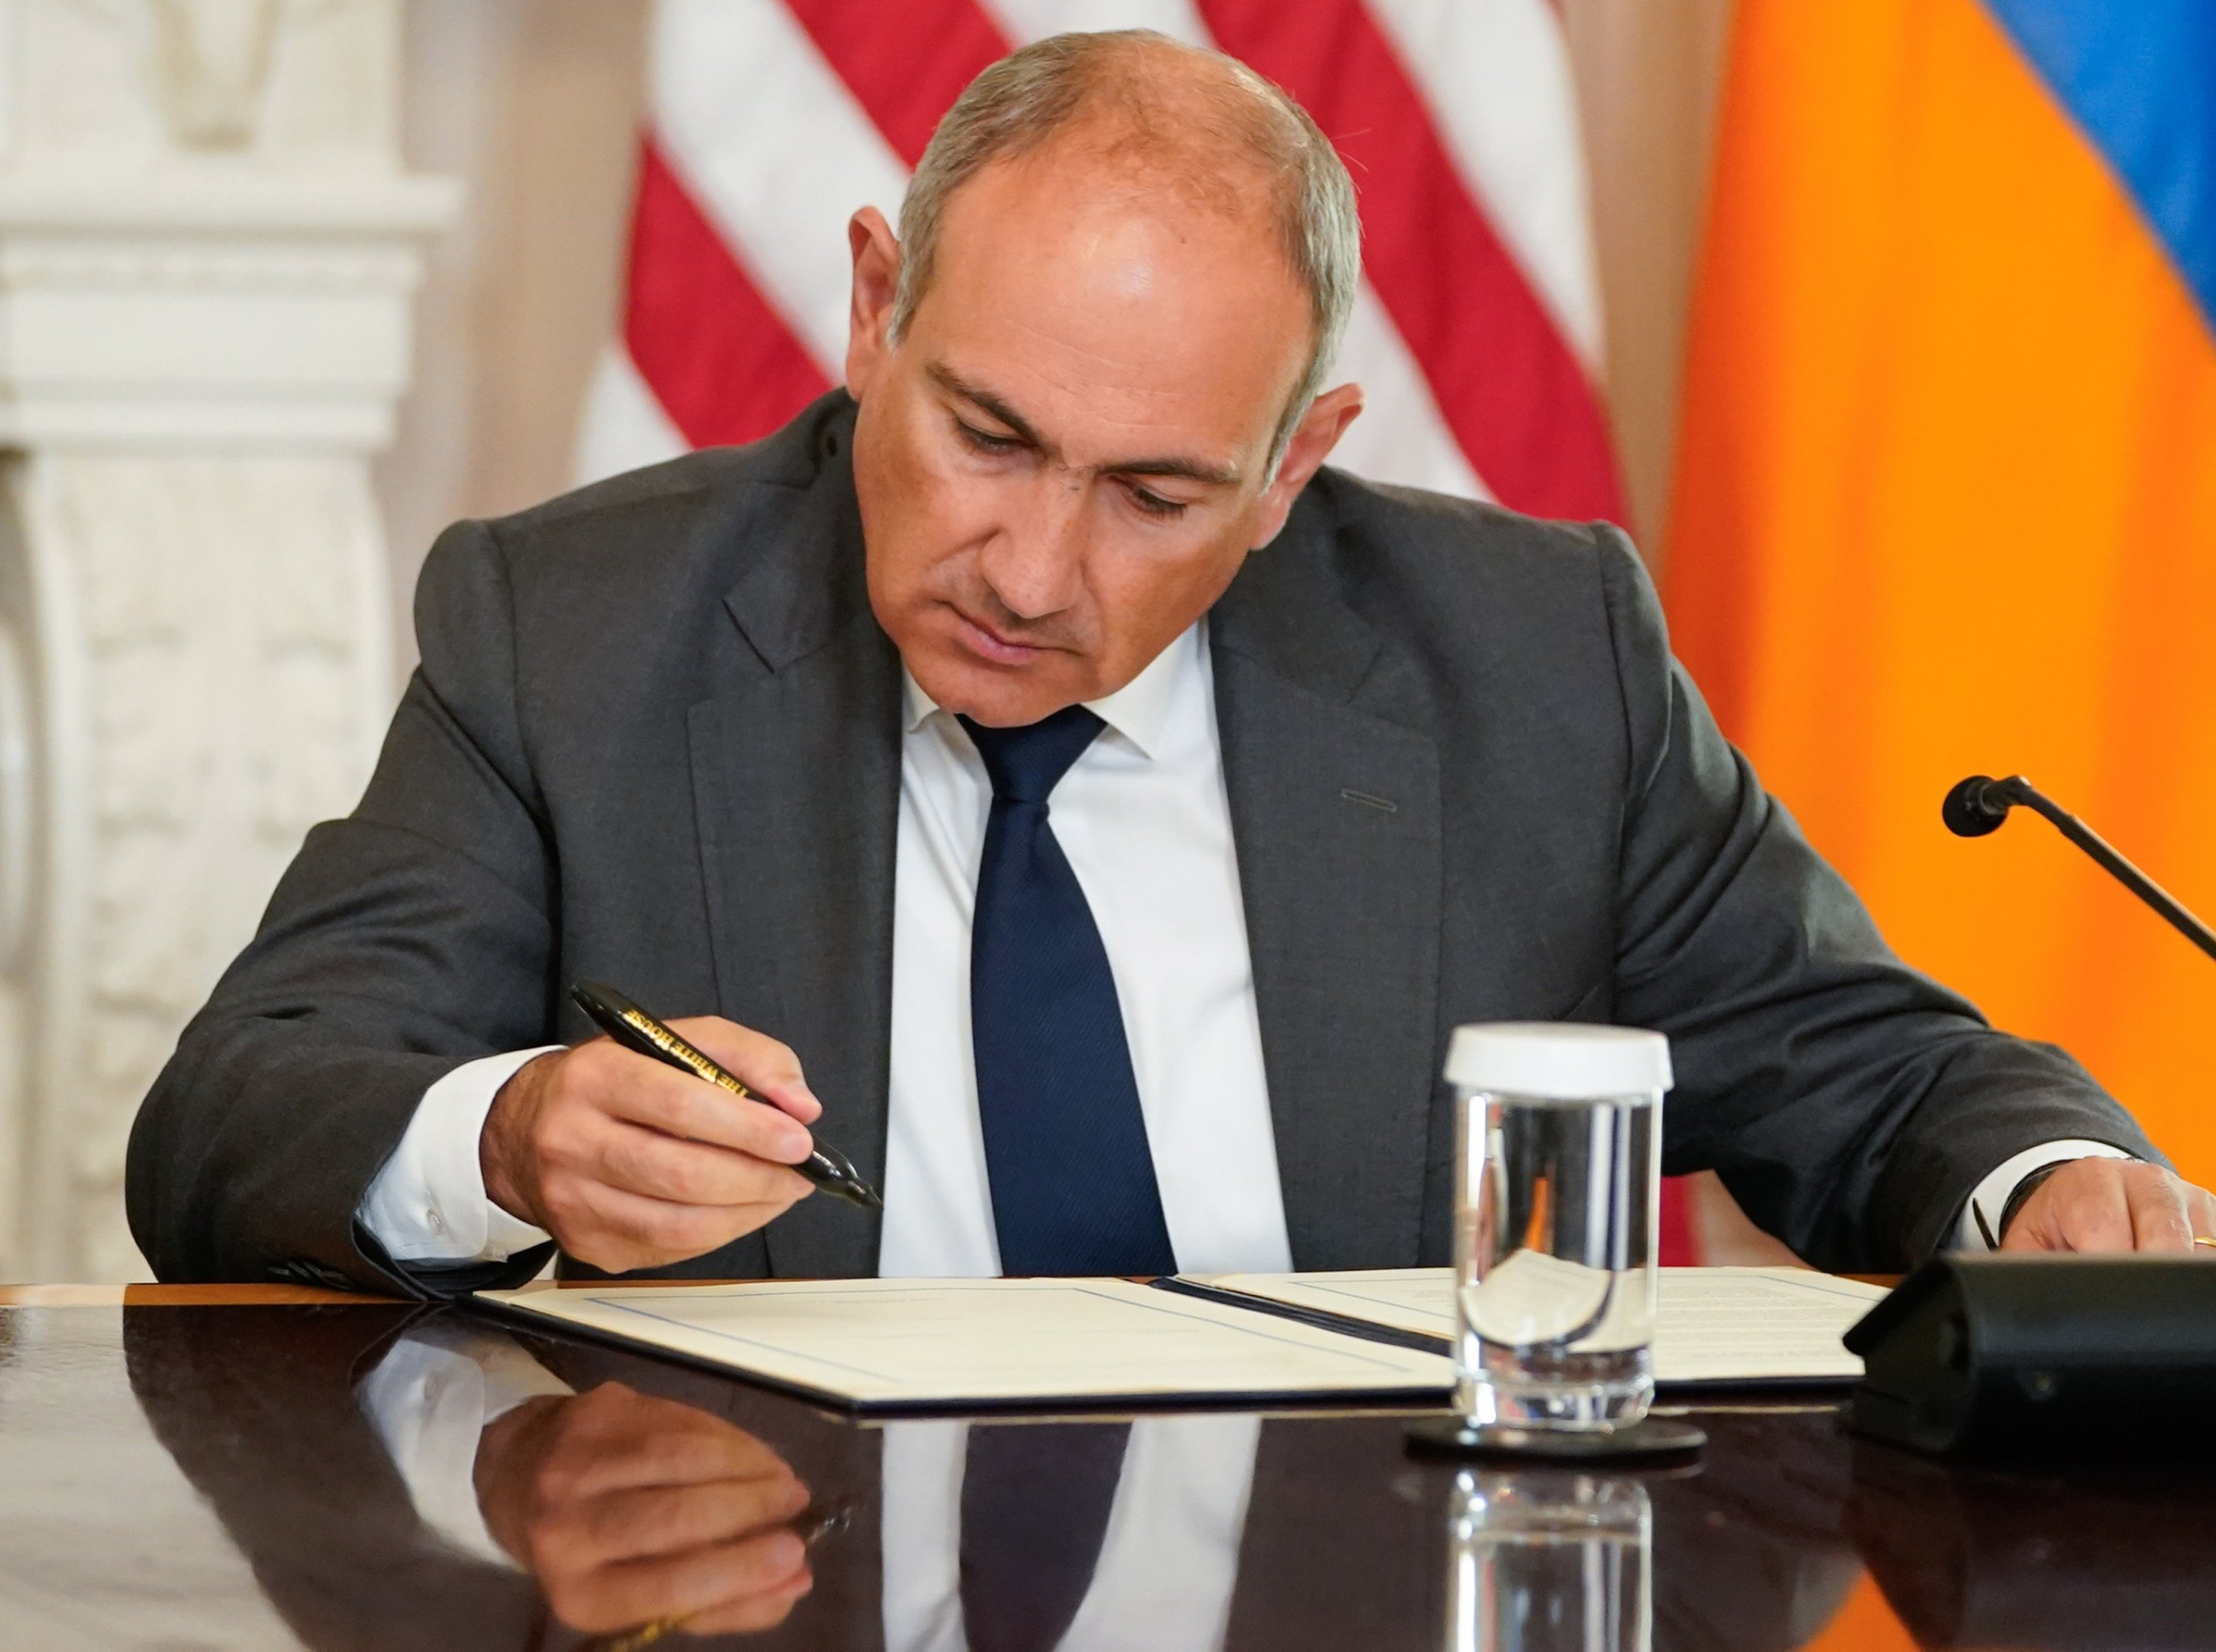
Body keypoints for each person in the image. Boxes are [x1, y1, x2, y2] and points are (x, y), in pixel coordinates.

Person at [126, 30, 2213, 1299]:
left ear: (1297, 461)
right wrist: (509, 1135)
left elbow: (1876, 1070)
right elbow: (233, 1116)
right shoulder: (577, 627)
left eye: (1155, 492)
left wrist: (2051, 1184)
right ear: (874, 312)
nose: (1032, 570)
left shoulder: (1530, 657)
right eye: (987, 435)